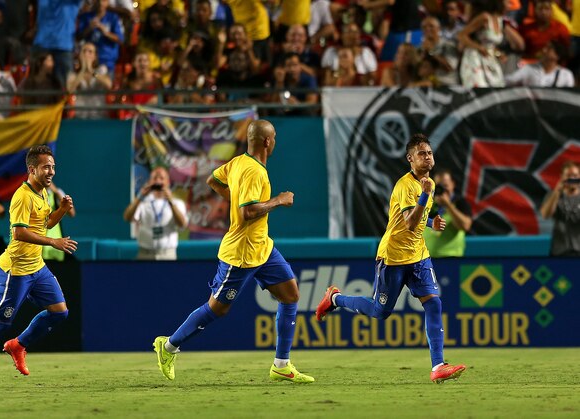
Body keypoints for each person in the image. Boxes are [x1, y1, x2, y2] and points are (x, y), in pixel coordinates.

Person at [153, 120, 314, 384]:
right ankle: (168, 346)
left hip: (262, 246)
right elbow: (248, 212)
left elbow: (213, 180)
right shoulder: (254, 171)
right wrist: (279, 200)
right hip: (241, 252)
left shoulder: (239, 161)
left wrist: (236, 196)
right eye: (274, 138)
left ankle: (281, 365)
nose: (275, 142)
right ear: (267, 142)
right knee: (217, 308)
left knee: (291, 294)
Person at [315, 133, 466, 384]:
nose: (427, 157)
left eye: (429, 153)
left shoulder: (428, 183)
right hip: (394, 257)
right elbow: (408, 224)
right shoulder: (406, 186)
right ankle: (335, 299)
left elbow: (419, 218)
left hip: (418, 256)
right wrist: (425, 197)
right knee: (380, 311)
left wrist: (431, 222)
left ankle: (438, 365)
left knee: (434, 303)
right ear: (410, 159)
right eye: (421, 154)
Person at [0, 145, 78, 387]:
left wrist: (61, 210)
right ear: (32, 169)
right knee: (0, 322)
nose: (51, 172)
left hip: (36, 267)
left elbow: (44, 223)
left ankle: (18, 345)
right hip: (15, 269)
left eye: (53, 167)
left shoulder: (42, 193)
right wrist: (53, 242)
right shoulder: (22, 196)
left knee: (60, 312)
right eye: (46, 167)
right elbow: (19, 233)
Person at [123, 166, 188, 260]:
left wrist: (170, 202)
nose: (158, 181)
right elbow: (127, 217)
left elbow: (182, 224)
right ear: (150, 182)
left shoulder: (177, 203)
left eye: (161, 178)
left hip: (167, 254)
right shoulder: (143, 203)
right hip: (145, 253)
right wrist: (139, 197)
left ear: (168, 182)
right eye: (155, 178)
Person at [423, 168, 472, 258]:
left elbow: (465, 226)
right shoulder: (427, 203)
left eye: (445, 186)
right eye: (438, 186)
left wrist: (448, 205)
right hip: (426, 260)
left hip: (451, 259)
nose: (442, 190)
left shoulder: (460, 203)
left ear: (453, 184)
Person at [540, 161, 580, 257]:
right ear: (562, 177)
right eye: (568, 176)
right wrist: (557, 192)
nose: (572, 179)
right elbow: (545, 215)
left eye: (575, 175)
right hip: (559, 251)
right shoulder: (553, 195)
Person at [504, 41, 575, 87]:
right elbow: (510, 80)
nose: (543, 51)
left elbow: (568, 95)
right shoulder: (529, 68)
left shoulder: (566, 75)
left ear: (557, 56)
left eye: (548, 49)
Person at [43, 182, 77, 261]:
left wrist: (56, 192)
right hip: (38, 247)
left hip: (56, 246)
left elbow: (72, 213)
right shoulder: (31, 194)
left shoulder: (56, 193)